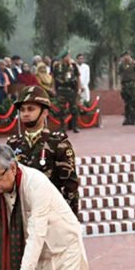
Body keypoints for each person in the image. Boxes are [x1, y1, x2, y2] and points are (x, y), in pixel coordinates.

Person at [6, 85, 80, 219]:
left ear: (45, 112)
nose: (25, 113)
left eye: (31, 109)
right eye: (22, 110)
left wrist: (70, 220)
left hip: (50, 215)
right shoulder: (12, 144)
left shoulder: (58, 143)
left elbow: (70, 186)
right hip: (21, 215)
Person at [53, 49, 81, 133]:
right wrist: (53, 88)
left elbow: (78, 77)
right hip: (61, 90)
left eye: (69, 56)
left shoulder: (73, 66)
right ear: (63, 57)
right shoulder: (57, 66)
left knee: (74, 109)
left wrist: (79, 88)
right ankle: (62, 127)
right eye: (67, 56)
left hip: (71, 90)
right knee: (61, 110)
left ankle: (75, 126)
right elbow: (54, 78)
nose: (69, 57)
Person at [118, 50, 135, 126]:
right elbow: (120, 74)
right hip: (124, 84)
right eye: (125, 56)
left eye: (128, 55)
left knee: (133, 101)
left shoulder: (134, 64)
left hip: (132, 84)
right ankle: (127, 118)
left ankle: (134, 118)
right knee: (127, 102)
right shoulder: (121, 65)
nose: (126, 57)